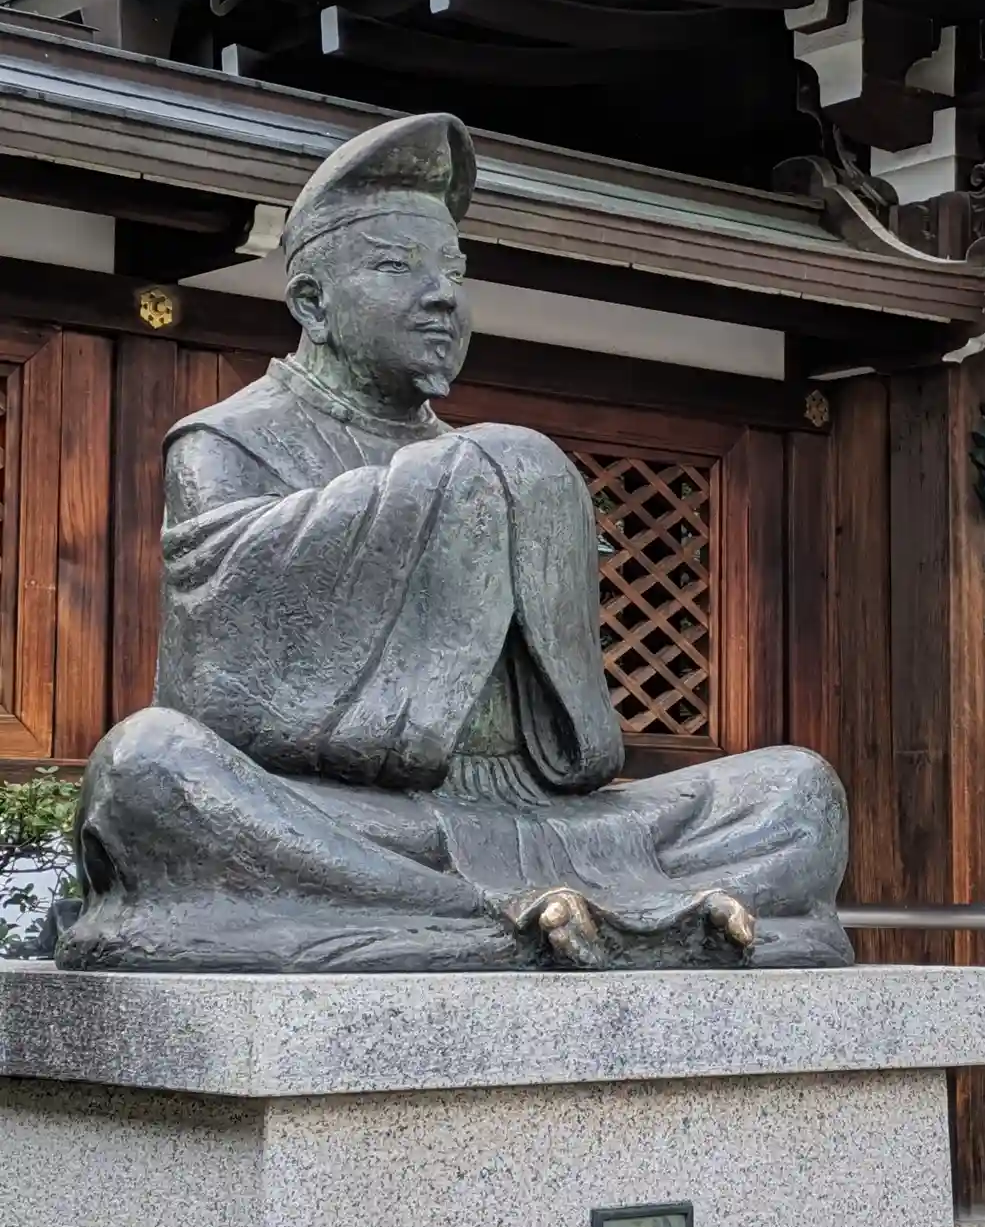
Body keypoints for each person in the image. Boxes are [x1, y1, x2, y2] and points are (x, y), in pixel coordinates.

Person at [60, 114, 850, 974]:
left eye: (454, 271)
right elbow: (219, 696)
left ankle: (528, 918)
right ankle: (507, 921)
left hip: (537, 821)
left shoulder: (491, 468)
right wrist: (459, 489)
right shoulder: (231, 443)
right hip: (360, 822)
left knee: (798, 792)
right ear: (312, 303)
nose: (442, 296)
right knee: (146, 767)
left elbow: (577, 750)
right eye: (396, 267)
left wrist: (489, 489)